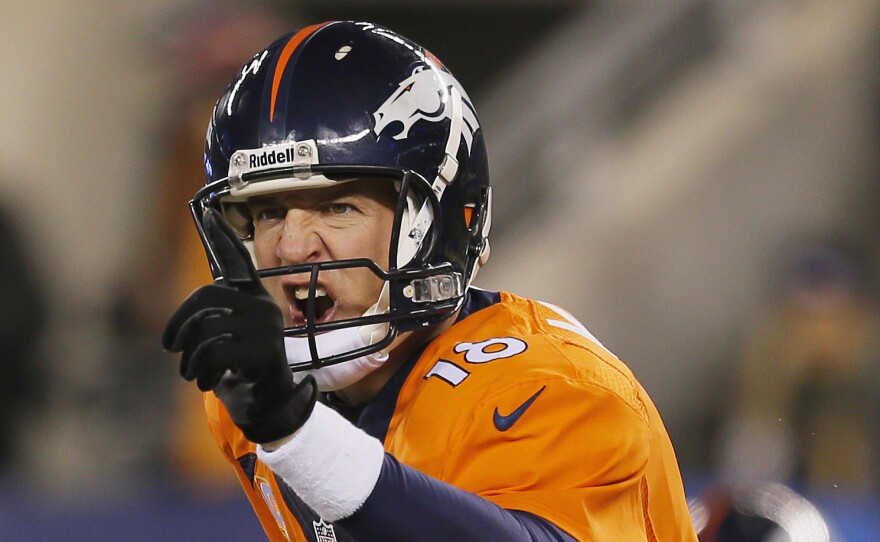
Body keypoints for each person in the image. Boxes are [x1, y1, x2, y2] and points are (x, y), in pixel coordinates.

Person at [162, 21, 697, 541]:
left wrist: (300, 437)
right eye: (269, 213)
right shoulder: (253, 402)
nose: (293, 245)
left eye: (337, 206)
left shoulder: (553, 390)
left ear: (437, 224)